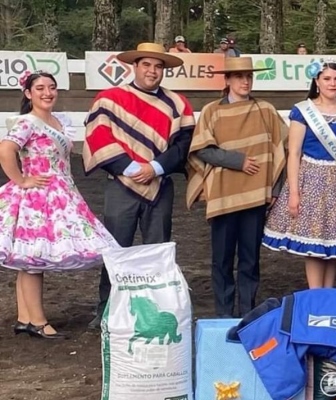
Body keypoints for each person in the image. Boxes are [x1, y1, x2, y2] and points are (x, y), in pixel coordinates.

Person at [82, 42, 195, 329]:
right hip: (121, 183)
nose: (152, 71)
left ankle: (155, 308)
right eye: (147, 65)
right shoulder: (110, 99)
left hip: (160, 185)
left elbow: (183, 144)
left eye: (158, 66)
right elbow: (99, 135)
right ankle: (106, 309)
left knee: (157, 251)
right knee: (116, 250)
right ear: (135, 66)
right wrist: (131, 168)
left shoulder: (177, 103)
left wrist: (155, 167)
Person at [0, 71, 119, 339]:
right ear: (28, 94)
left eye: (51, 87)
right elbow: (5, 150)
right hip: (38, 196)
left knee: (28, 257)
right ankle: (38, 321)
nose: (47, 93)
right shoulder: (26, 122)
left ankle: (25, 317)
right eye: (40, 88)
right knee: (33, 258)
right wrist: (22, 180)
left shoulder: (56, 121)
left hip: (59, 192)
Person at [263, 59, 336, 288]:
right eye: (326, 78)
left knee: (334, 237)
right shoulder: (303, 110)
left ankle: (328, 291)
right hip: (312, 179)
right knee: (315, 242)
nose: (332, 83)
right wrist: (294, 192)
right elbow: (294, 153)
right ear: (317, 81)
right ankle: (316, 293)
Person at [186, 57, 287, 316]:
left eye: (249, 77)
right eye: (239, 76)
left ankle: (247, 312)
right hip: (224, 196)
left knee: (250, 259)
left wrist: (275, 190)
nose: (245, 81)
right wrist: (238, 161)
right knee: (221, 259)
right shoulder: (212, 111)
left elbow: (282, 150)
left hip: (255, 197)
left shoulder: (265, 110)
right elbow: (202, 150)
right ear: (227, 80)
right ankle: (223, 314)